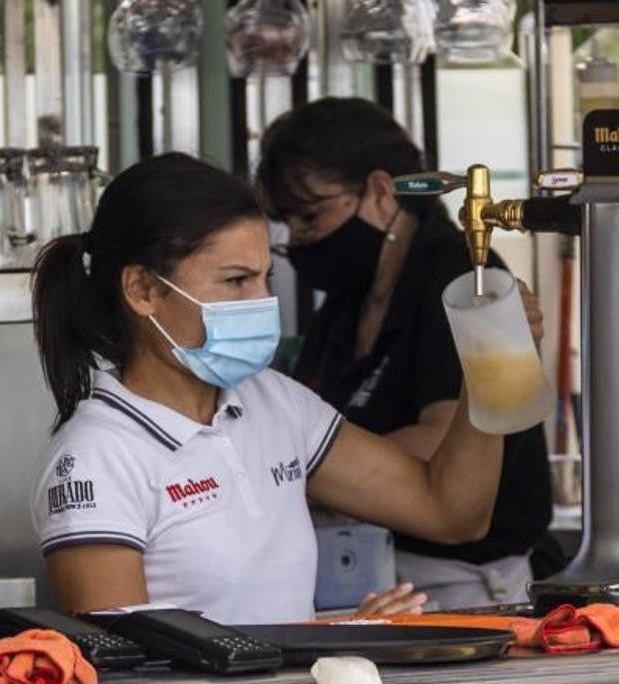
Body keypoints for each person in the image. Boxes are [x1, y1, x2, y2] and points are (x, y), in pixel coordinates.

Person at [28, 153, 538, 624]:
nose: (262, 300)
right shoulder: (98, 456)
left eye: (265, 278)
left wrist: (486, 367)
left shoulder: (273, 402)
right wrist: (326, 646)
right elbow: (122, 673)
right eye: (235, 282)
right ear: (143, 289)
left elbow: (451, 513)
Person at [256, 97, 555, 610]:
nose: (300, 240)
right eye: (290, 225)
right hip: (360, 572)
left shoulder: (461, 278)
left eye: (310, 216)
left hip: (461, 581)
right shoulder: (346, 304)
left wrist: (303, 477)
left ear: (378, 191)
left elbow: (441, 440)